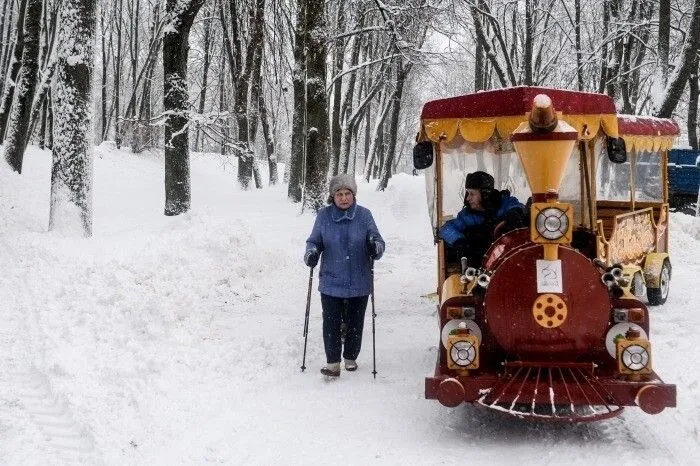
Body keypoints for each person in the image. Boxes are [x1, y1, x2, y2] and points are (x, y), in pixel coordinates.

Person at [304, 174, 385, 377]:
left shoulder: (364, 215)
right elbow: (314, 241)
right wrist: (311, 253)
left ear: (353, 194)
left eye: (347, 193)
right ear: (333, 196)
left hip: (359, 279)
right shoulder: (323, 216)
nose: (343, 198)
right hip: (332, 280)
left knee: (355, 322)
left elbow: (378, 240)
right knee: (330, 322)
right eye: (339, 194)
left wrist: (375, 247)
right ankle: (332, 363)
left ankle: (350, 357)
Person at [439, 171, 526, 267]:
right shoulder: (467, 215)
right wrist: (459, 241)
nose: (468, 198)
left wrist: (516, 212)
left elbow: (518, 207)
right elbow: (446, 229)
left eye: (472, 194)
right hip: (483, 268)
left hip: (512, 259)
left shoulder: (505, 203)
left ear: (485, 195)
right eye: (467, 193)